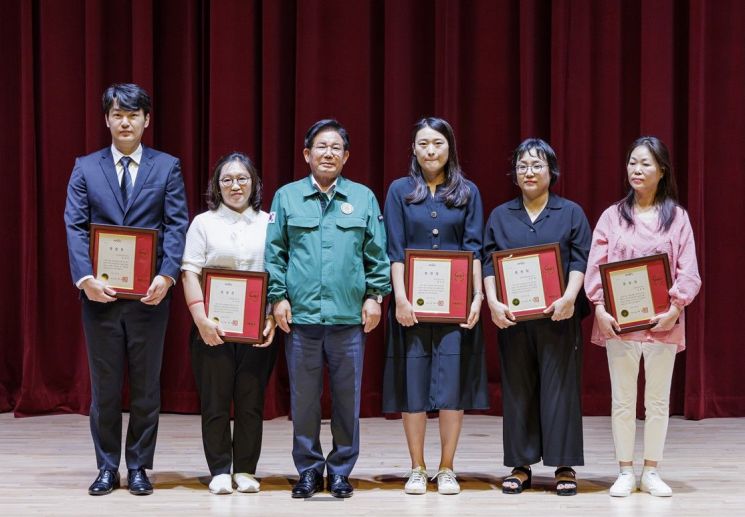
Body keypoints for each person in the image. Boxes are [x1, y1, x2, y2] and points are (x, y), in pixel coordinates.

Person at [64, 83, 188, 496]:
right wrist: (85, 279)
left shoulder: (167, 166)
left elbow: (176, 225)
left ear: (146, 120)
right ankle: (105, 467)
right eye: (118, 114)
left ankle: (138, 466)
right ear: (107, 119)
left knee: (147, 386)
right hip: (99, 298)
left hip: (150, 298)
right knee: (104, 386)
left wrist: (167, 276)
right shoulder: (85, 167)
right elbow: (76, 227)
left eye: (133, 115)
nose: (125, 122)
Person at [264, 119, 391, 498]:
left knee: (347, 399)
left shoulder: (363, 198)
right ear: (307, 154)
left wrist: (375, 296)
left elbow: (377, 253)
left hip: (348, 317)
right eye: (321, 146)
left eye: (336, 147)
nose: (328, 153)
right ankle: (307, 469)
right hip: (300, 318)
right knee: (304, 400)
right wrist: (277, 297)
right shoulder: (286, 197)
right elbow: (274, 253)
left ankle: (339, 471)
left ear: (346, 156)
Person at [584, 136, 701, 498]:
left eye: (646, 163)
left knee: (658, 401)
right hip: (620, 326)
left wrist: (675, 308)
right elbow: (596, 268)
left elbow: (689, 271)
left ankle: (651, 470)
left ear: (662, 170)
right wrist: (600, 309)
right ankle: (624, 470)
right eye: (633, 162)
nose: (637, 169)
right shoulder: (611, 217)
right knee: (621, 400)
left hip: (663, 324)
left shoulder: (677, 218)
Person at [382, 117, 488, 495]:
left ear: (450, 148)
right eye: (423, 143)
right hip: (411, 306)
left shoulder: (468, 192)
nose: (431, 150)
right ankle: (416, 467)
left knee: (451, 388)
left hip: (455, 307)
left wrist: (477, 297)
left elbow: (474, 248)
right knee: (413, 387)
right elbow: (393, 249)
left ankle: (446, 467)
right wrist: (401, 299)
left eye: (438, 143)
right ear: (413, 148)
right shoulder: (399, 191)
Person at [482, 138, 590, 496]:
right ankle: (521, 464)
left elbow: (580, 260)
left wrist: (570, 297)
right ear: (515, 174)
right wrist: (494, 304)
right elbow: (488, 262)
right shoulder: (500, 215)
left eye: (537, 165)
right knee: (518, 389)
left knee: (560, 389)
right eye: (523, 166)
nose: (529, 172)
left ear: (552, 171)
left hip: (559, 316)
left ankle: (563, 465)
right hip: (513, 319)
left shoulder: (571, 212)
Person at [181, 152, 277, 495]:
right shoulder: (202, 223)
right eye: (227, 180)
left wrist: (271, 317)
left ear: (254, 184)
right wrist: (201, 318)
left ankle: (247, 470)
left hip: (257, 329)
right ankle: (220, 469)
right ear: (216, 186)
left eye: (242, 179)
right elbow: (189, 271)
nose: (235, 186)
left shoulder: (270, 222)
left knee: (251, 401)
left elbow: (278, 275)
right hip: (211, 327)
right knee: (215, 400)